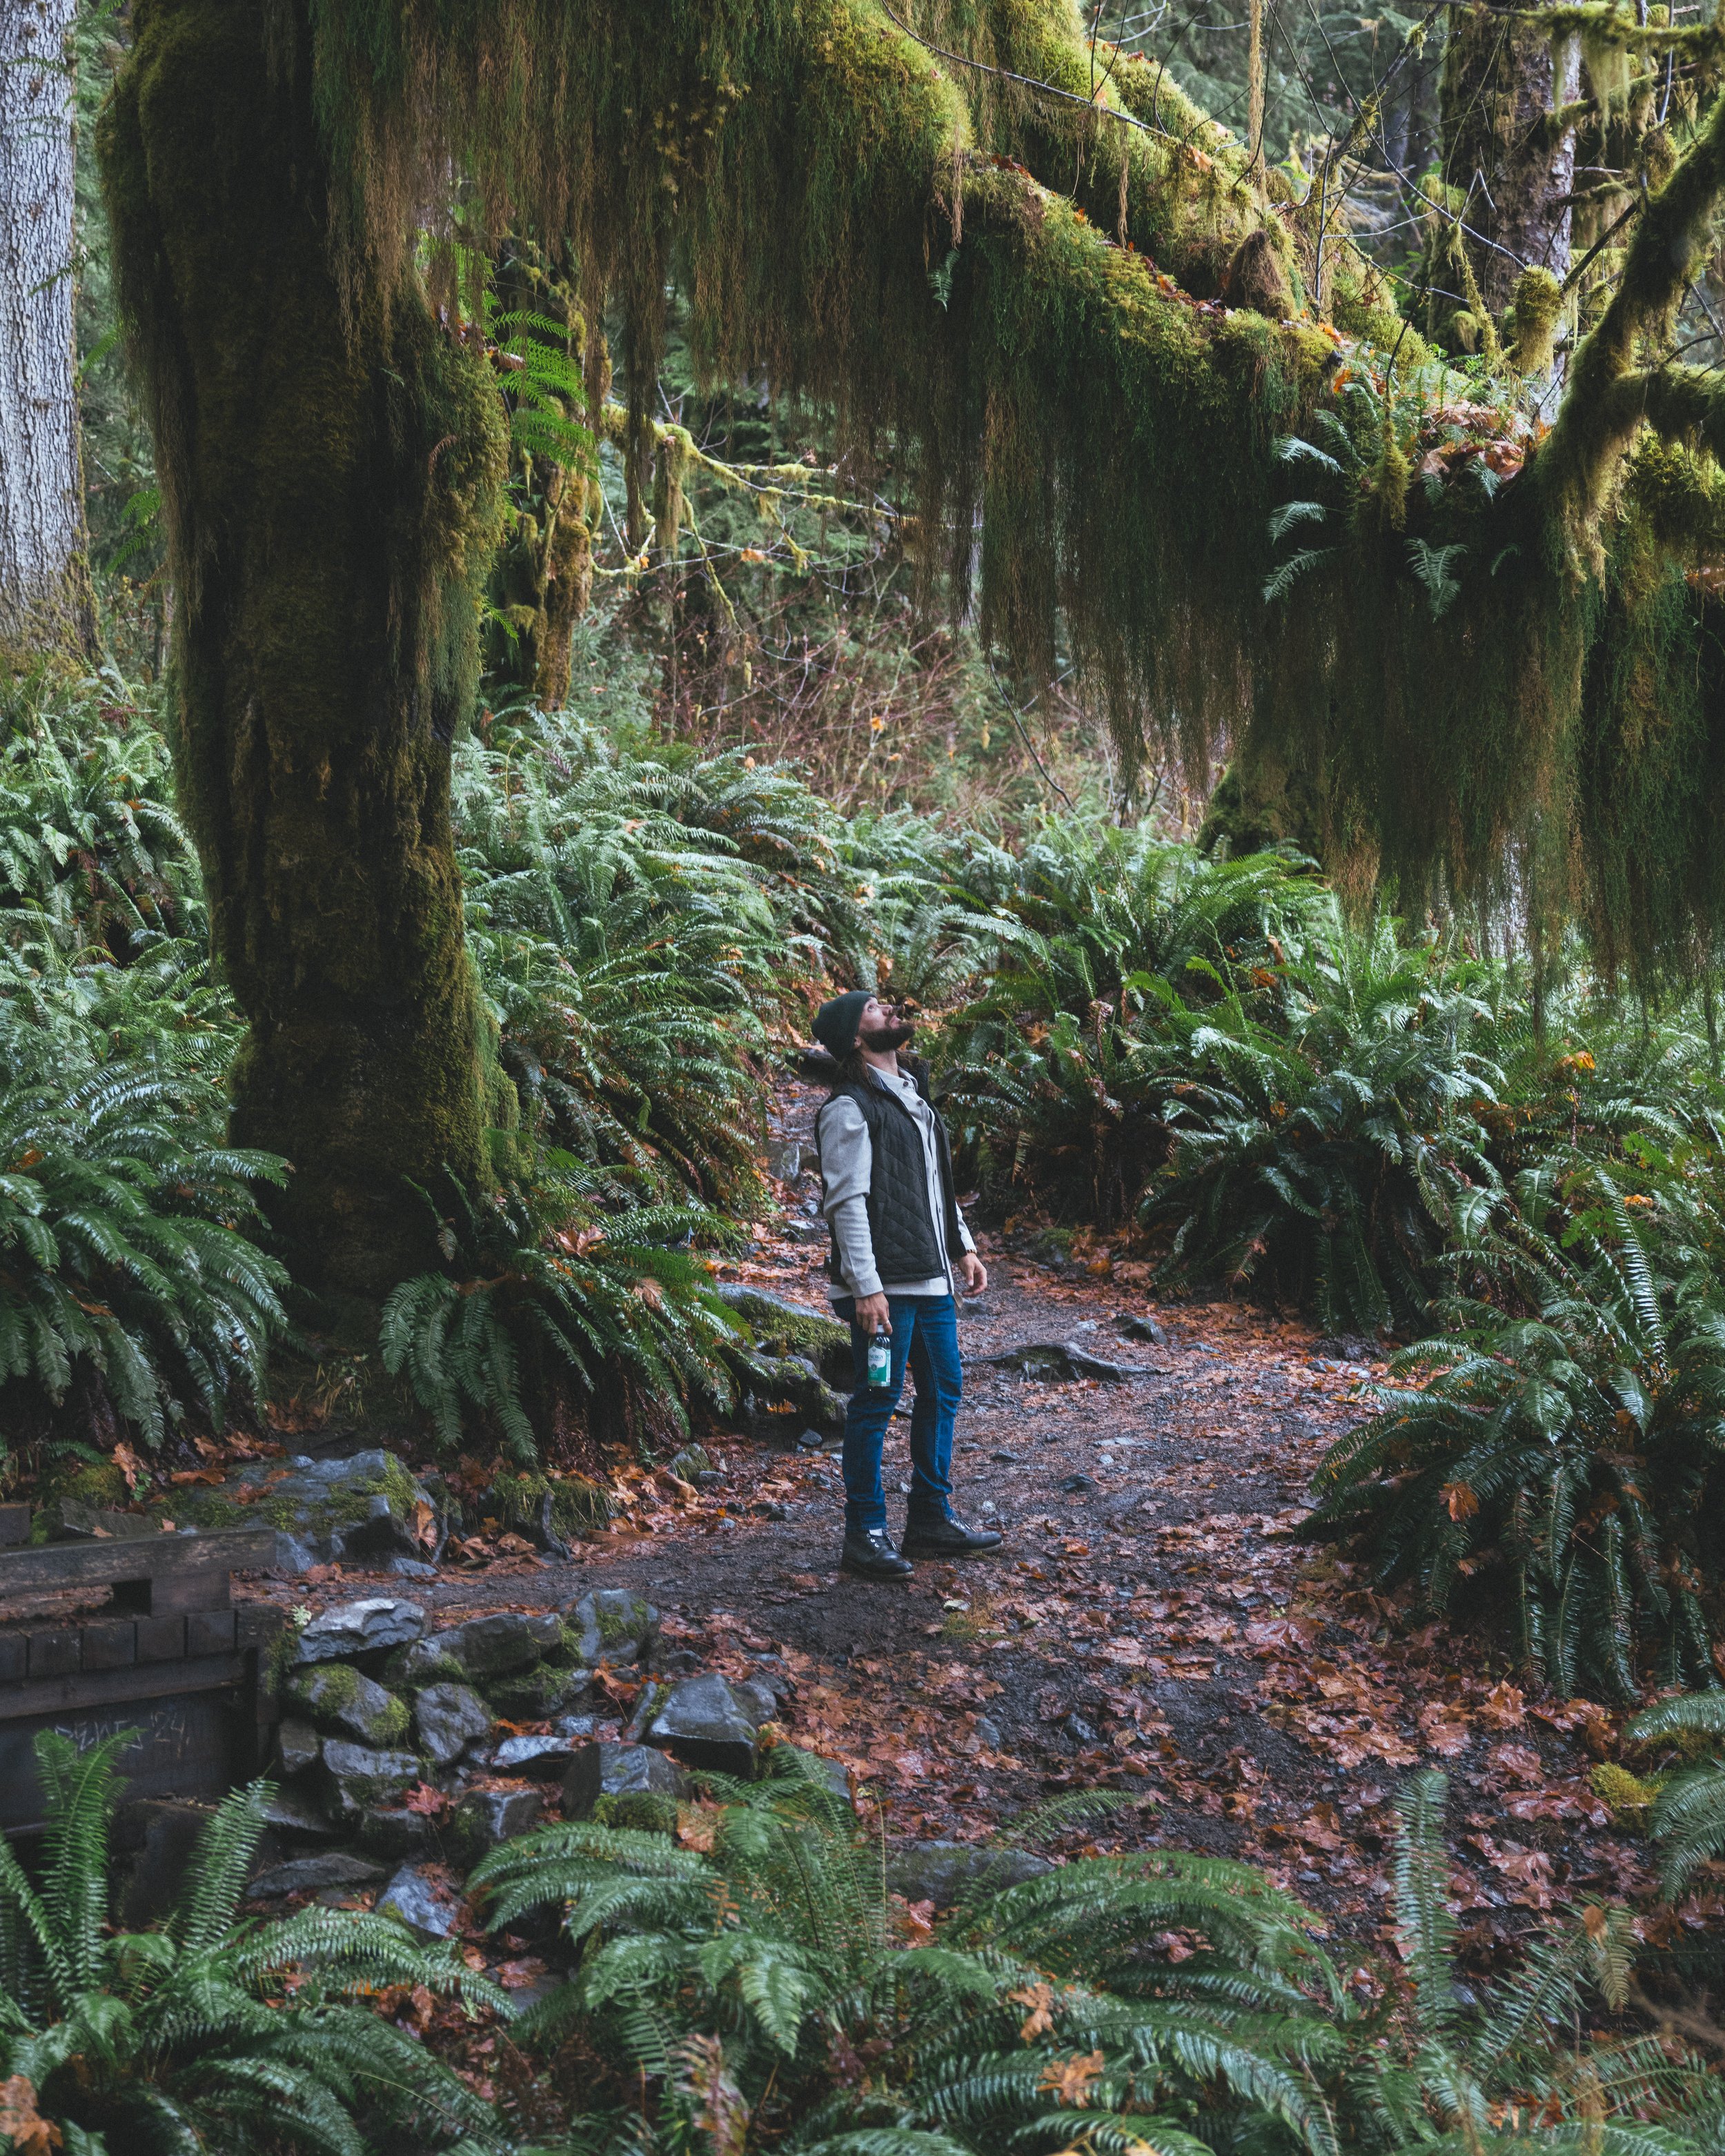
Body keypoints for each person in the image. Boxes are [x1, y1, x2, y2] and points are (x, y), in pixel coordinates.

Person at [811, 989, 1001, 1581]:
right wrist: (865, 1287)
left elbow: (935, 1185)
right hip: (885, 1292)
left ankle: (930, 1518)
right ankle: (865, 1533)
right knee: (877, 1399)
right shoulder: (848, 1109)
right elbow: (846, 1203)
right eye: (873, 1009)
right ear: (854, 1036)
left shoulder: (915, 1097)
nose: (888, 1010)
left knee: (944, 1390)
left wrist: (963, 1246)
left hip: (932, 1280)